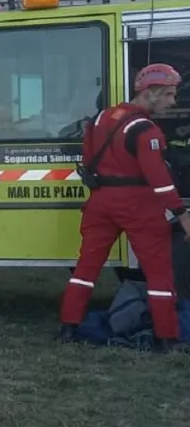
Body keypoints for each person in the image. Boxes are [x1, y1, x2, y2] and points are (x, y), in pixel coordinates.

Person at [57, 63, 190, 353]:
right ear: (150, 92)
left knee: (85, 268)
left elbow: (88, 159)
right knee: (158, 273)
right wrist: (182, 214)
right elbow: (160, 180)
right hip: (139, 205)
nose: (173, 101)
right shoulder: (146, 130)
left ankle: (68, 328)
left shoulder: (101, 118)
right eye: (168, 94)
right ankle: (167, 338)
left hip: (100, 202)